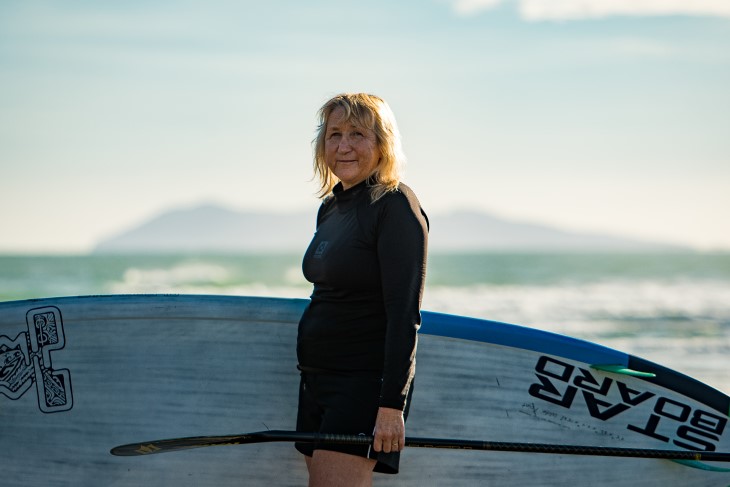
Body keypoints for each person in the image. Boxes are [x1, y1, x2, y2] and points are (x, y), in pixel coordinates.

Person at [295, 93, 429, 487]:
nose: (344, 145)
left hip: (361, 387)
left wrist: (391, 405)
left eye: (357, 134)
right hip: (317, 382)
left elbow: (404, 313)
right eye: (334, 134)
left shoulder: (395, 206)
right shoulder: (332, 207)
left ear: (382, 142)